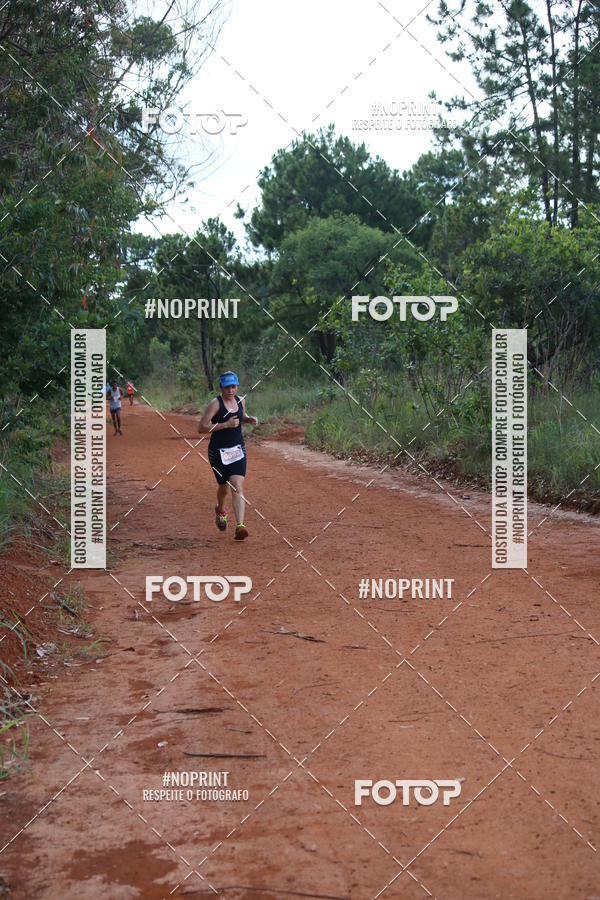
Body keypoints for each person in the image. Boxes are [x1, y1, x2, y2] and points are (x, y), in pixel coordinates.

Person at [198, 372, 258, 541]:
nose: (231, 390)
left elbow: (242, 416)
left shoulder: (240, 400)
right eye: (227, 387)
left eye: (233, 387)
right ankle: (221, 510)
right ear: (221, 387)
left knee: (237, 486)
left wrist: (249, 419)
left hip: (238, 451)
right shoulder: (215, 404)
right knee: (223, 488)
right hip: (218, 453)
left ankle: (240, 526)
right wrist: (225, 425)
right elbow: (202, 427)